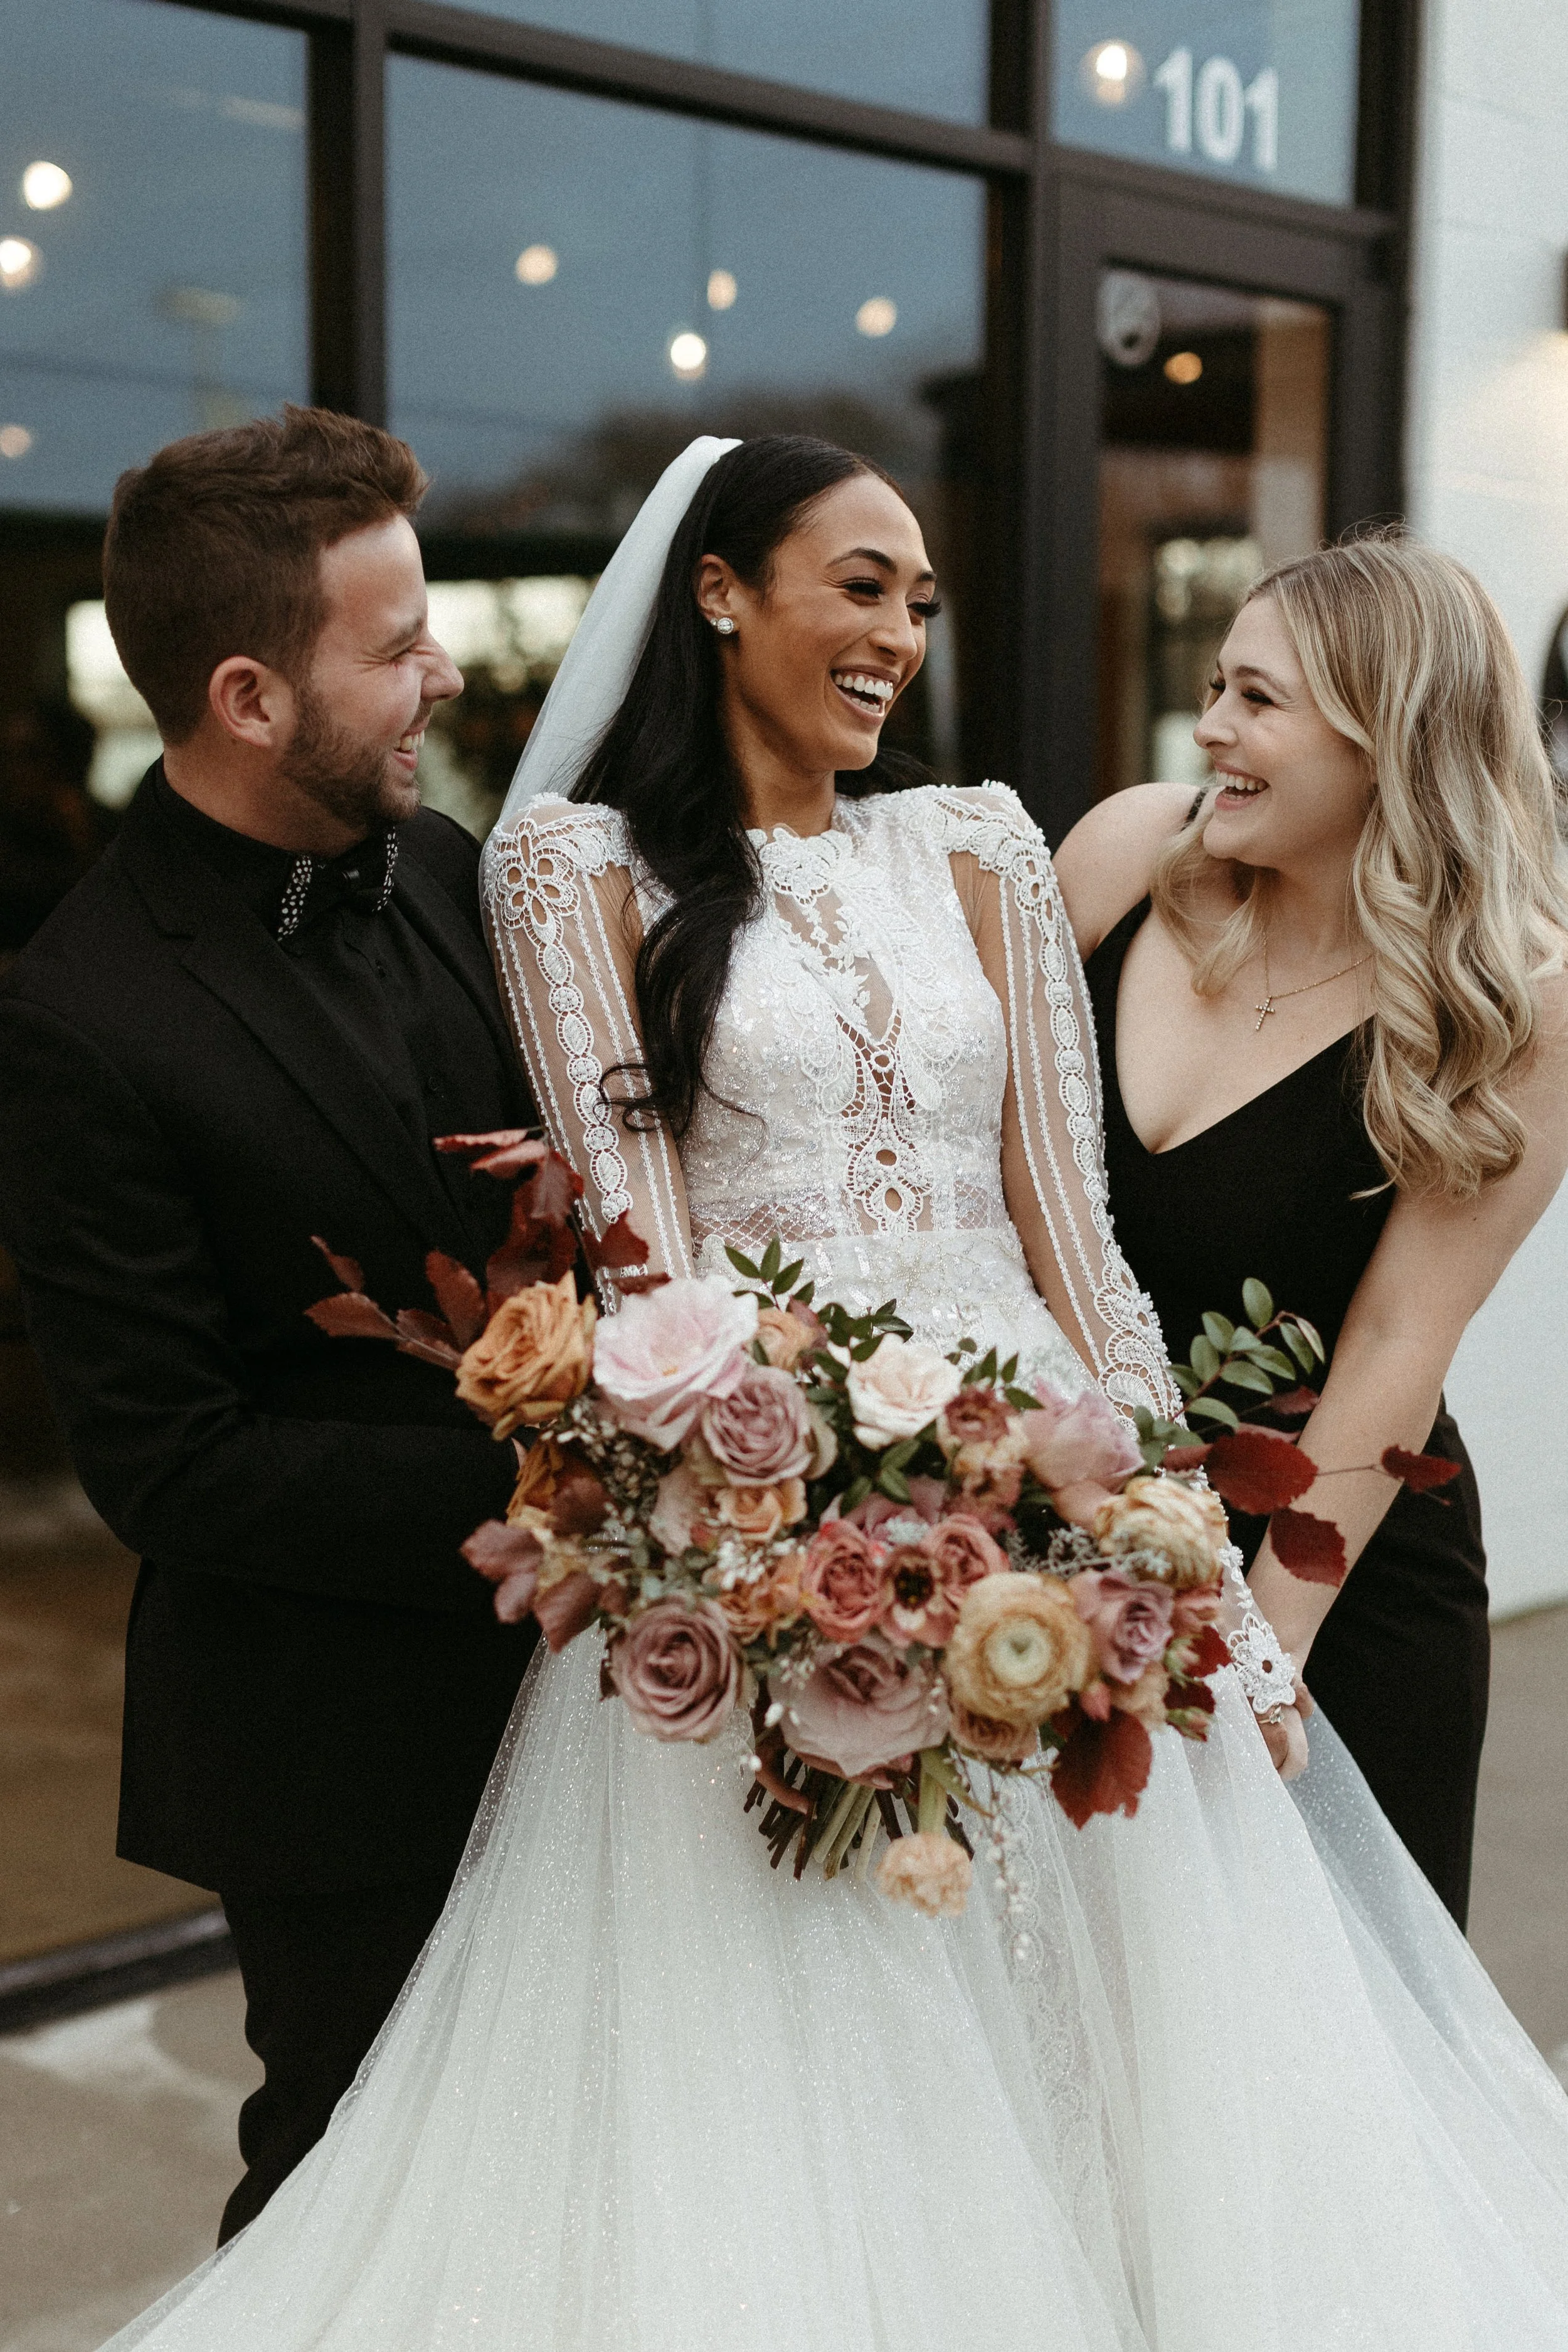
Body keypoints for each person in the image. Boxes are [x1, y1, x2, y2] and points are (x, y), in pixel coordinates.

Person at [94, 440, 1568, 2352]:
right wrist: (772, 1521)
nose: (898, 630)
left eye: (919, 600)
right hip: (762, 1524)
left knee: (1159, 2088)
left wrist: (1167, 1553)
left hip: (1060, 1515)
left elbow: (1073, 1228)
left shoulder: (981, 844)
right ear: (719, 588)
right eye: (860, 581)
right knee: (808, 2090)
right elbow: (644, 1252)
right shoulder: (568, 865)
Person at [0, 407, 539, 2242]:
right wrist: (560, 1482)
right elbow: (167, 1460)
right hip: (335, 1748)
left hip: (591, 1706)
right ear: (246, 693)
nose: (442, 673)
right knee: (358, 2199)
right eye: (392, 646)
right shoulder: (78, 1015)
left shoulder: (459, 868)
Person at [1054, 537, 1568, 1925]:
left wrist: (1258, 1657)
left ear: (1383, 738)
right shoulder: (1121, 858)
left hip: (1338, 1573)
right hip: (1065, 1534)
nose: (1210, 728)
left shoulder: (1509, 998)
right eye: (1214, 686)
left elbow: (1402, 1331)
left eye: (1257, 702)